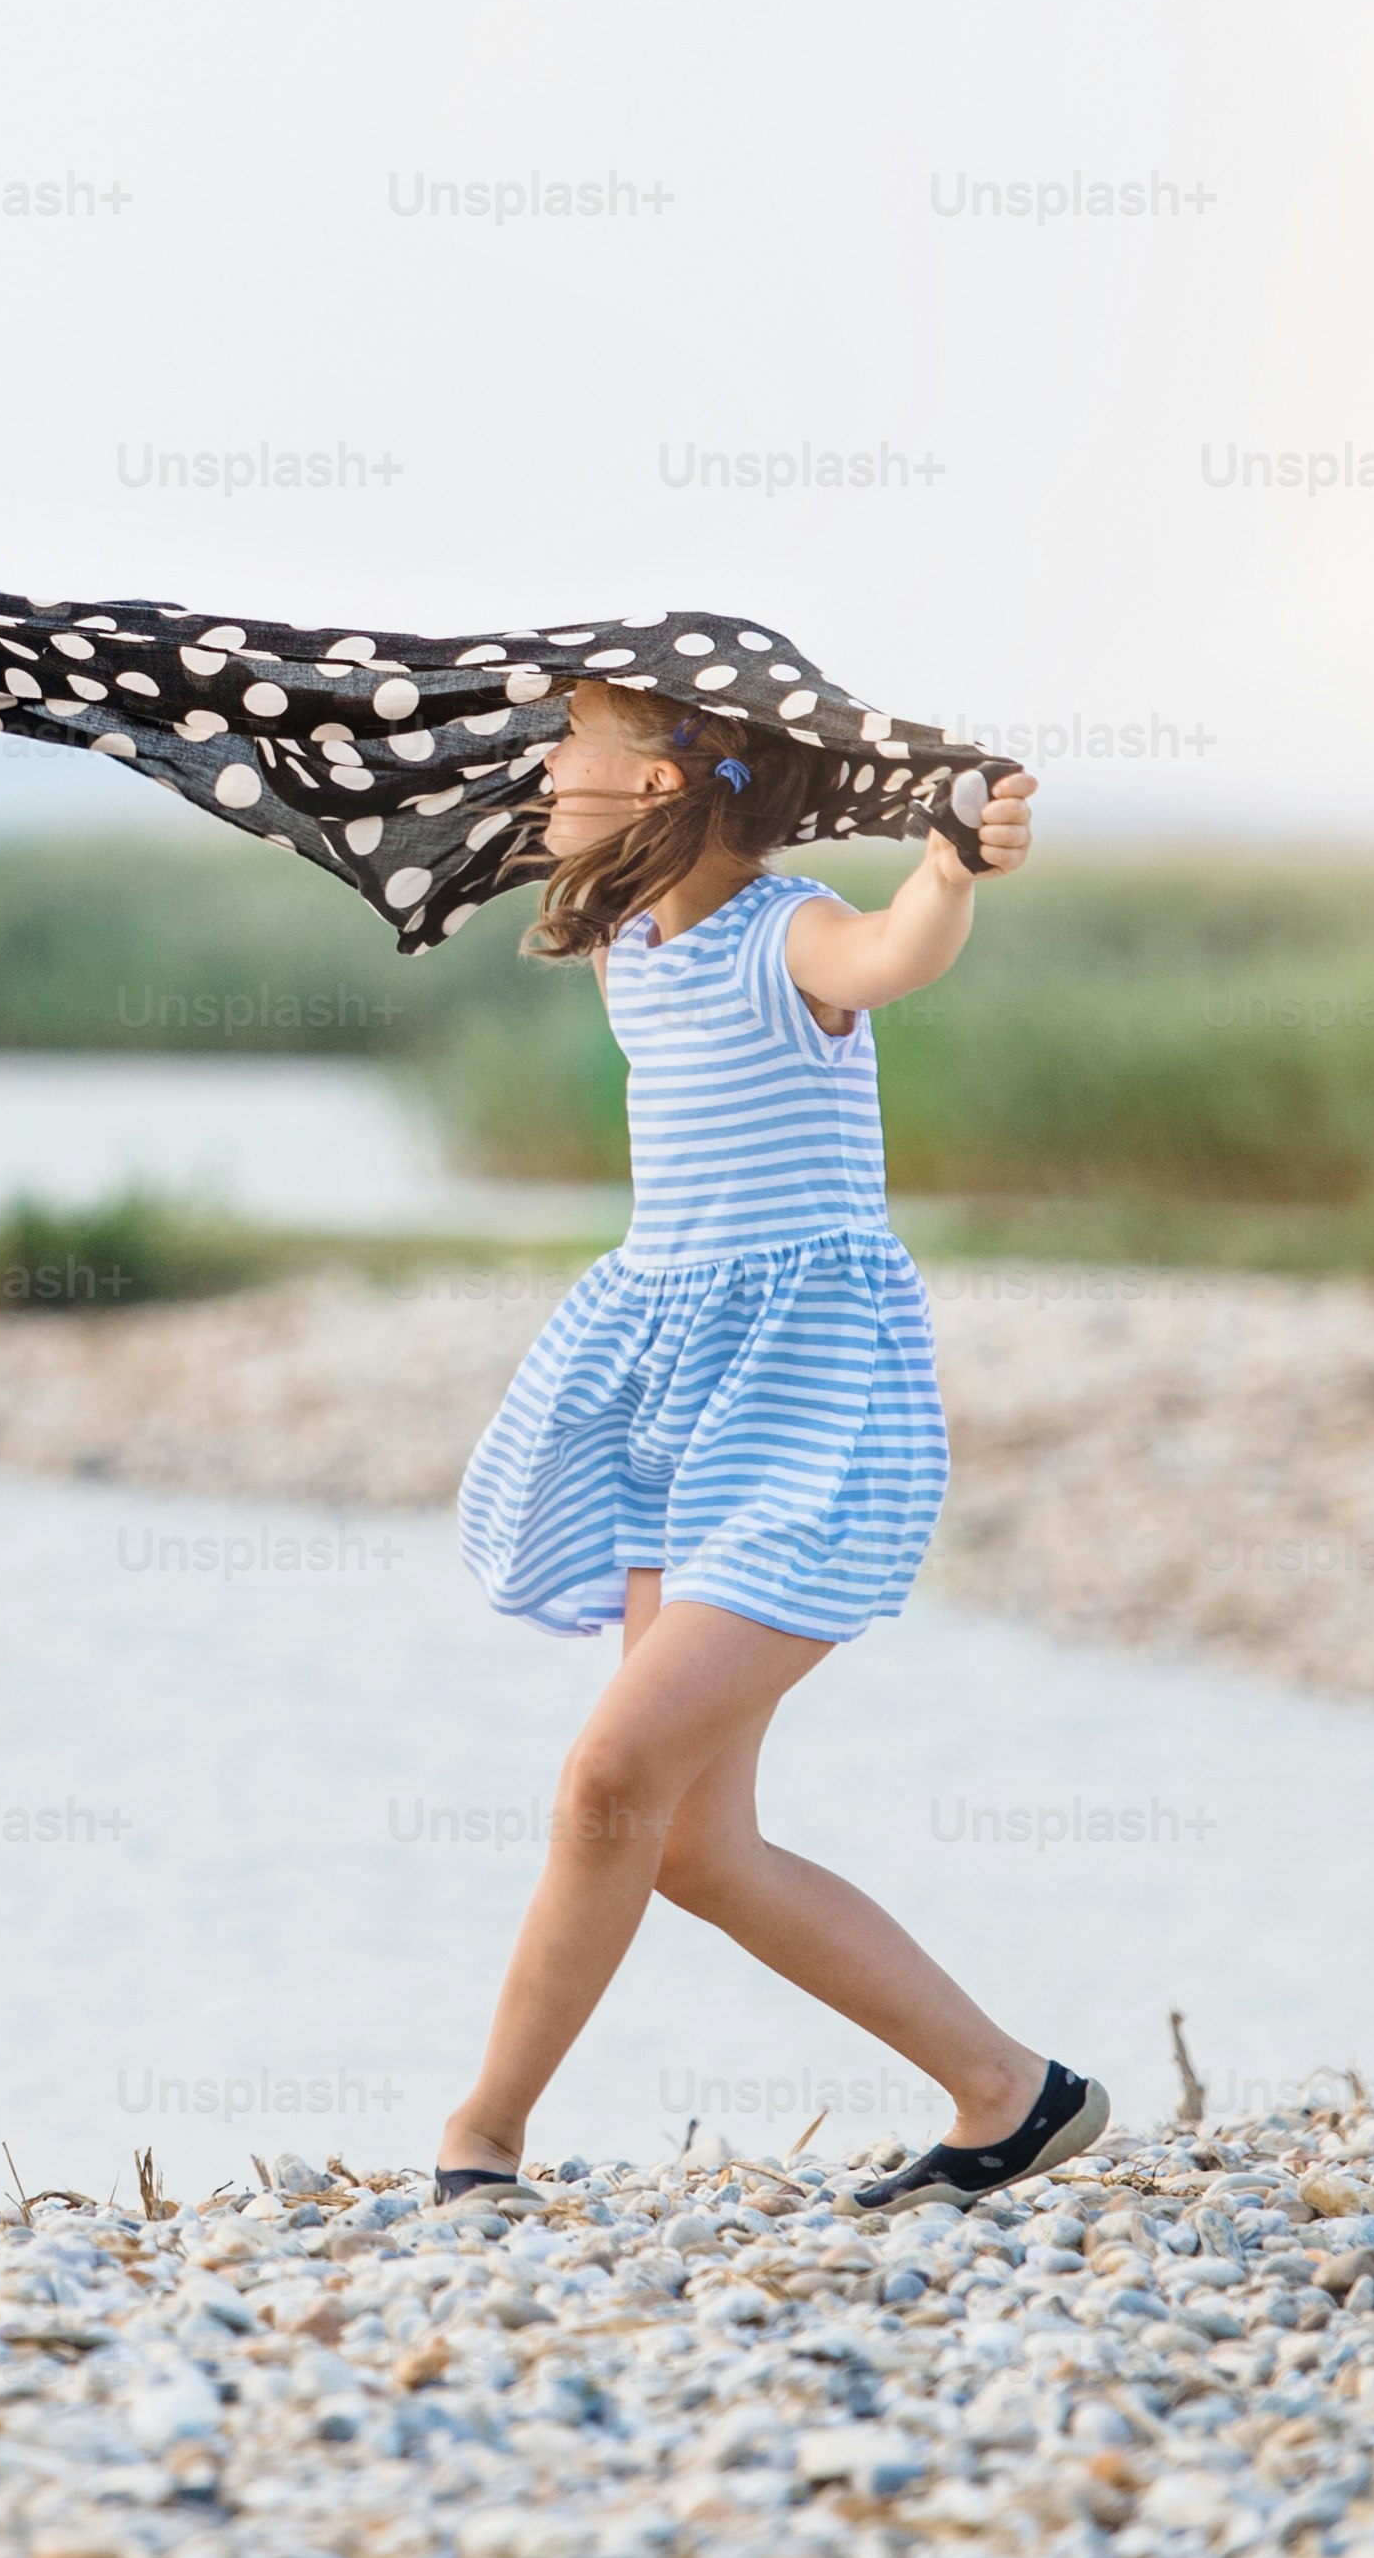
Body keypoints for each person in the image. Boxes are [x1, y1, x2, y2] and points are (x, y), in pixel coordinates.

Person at [433, 682, 1099, 2214]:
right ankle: (1011, 2092)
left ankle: (480, 2137)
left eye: (573, 736)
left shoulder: (784, 934)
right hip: (673, 1410)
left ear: (664, 778)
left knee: (609, 1770)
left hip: (809, 1411)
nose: (544, 762)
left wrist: (946, 867)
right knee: (687, 1842)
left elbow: (892, 953)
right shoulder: (631, 952)